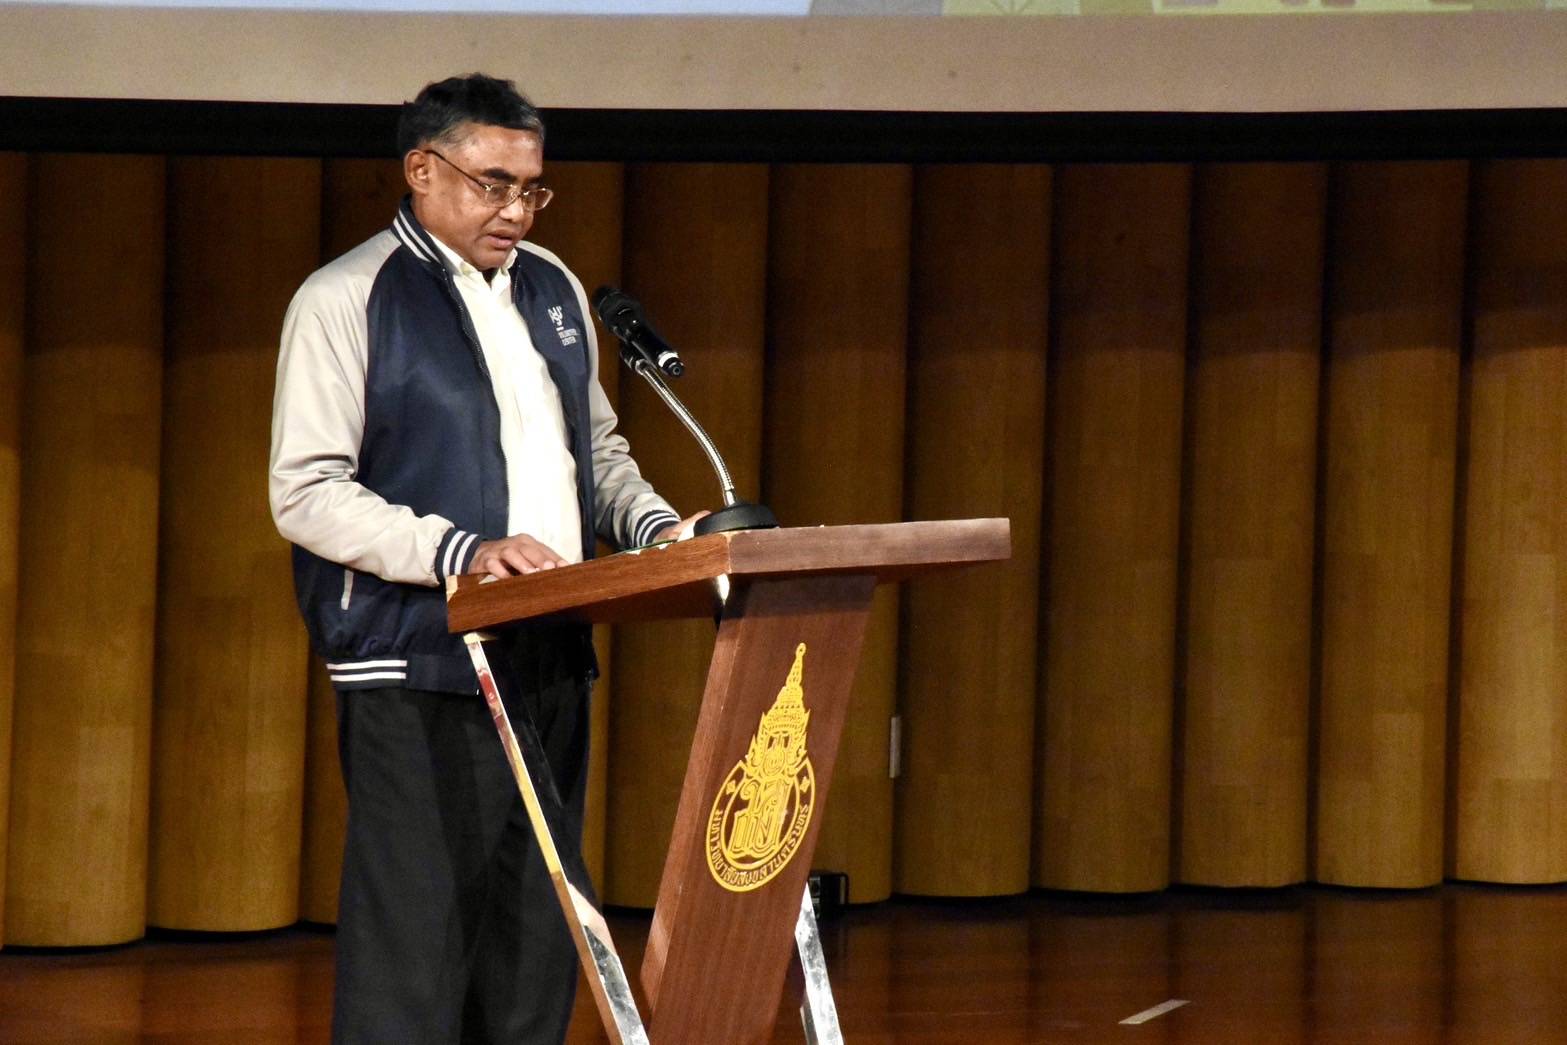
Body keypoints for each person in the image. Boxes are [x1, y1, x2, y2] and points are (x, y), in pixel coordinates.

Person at [269, 73, 696, 1044]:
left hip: (549, 660)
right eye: (492, 184)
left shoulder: (551, 288)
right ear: (421, 170)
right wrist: (461, 551)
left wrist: (657, 530)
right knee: (414, 959)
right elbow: (306, 491)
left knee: (533, 949)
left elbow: (596, 452)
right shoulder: (347, 297)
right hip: (419, 662)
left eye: (531, 188)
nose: (516, 210)